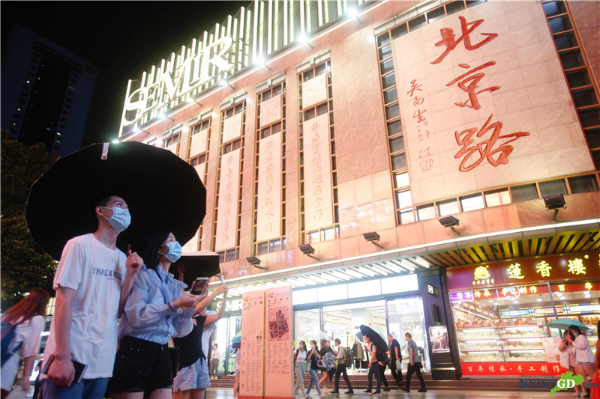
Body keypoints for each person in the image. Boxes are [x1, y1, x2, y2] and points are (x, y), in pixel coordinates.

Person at [41, 195, 144, 399]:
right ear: (100, 211)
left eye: (127, 207)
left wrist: (131, 276)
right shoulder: (79, 245)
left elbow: (117, 310)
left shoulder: (121, 259)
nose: (125, 211)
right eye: (118, 205)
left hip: (102, 362)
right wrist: (61, 356)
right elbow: (63, 301)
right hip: (71, 358)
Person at [108, 231, 204, 399]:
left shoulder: (174, 285)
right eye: (171, 240)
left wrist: (188, 307)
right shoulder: (143, 275)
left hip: (163, 353)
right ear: (159, 249)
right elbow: (137, 316)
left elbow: (180, 330)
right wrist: (175, 304)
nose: (177, 245)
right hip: (135, 351)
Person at [172, 284, 228, 399]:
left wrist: (225, 297)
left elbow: (218, 316)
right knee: (182, 394)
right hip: (185, 363)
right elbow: (197, 308)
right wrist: (215, 293)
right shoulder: (179, 318)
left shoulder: (198, 320)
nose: (192, 302)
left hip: (199, 361)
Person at [1, 288, 50, 399]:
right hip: (6, 365)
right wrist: (26, 377)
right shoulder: (37, 320)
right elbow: (30, 352)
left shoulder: (10, 315)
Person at [567, 325, 595, 398]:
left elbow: (581, 346)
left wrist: (572, 341)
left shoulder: (581, 337)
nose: (572, 332)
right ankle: (593, 389)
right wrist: (571, 343)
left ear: (576, 330)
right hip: (580, 360)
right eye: (571, 331)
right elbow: (574, 350)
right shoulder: (577, 338)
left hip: (586, 359)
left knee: (591, 375)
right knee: (582, 376)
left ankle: (595, 389)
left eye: (573, 330)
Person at [559, 330, 580, 397]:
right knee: (573, 377)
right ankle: (577, 392)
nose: (568, 336)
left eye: (569, 334)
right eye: (566, 335)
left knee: (579, 376)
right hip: (568, 362)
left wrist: (571, 342)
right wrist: (563, 344)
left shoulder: (575, 341)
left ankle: (585, 390)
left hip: (577, 361)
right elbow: (560, 349)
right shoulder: (563, 341)